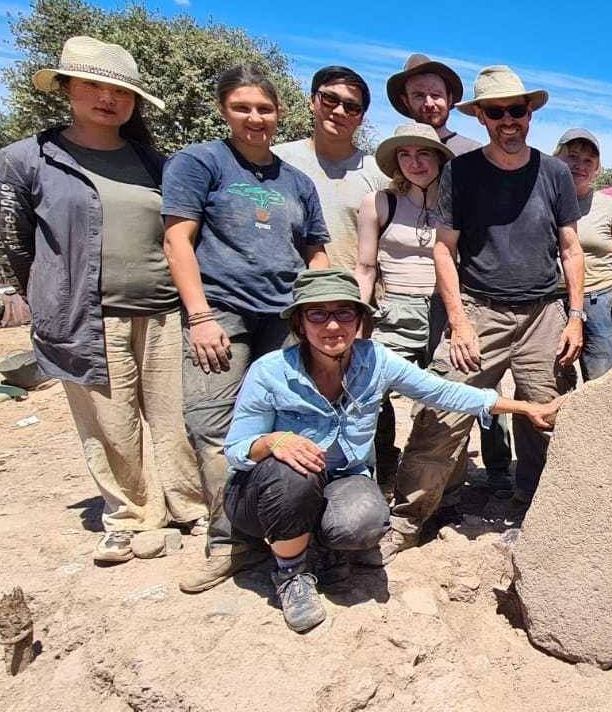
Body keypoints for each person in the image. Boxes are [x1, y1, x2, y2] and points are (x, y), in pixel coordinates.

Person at [224, 269, 560, 632]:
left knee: (367, 523)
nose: (332, 325)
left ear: (361, 320)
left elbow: (443, 392)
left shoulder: (375, 360)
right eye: (318, 314)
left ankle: (318, 546)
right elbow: (236, 447)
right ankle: (291, 574)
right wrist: (275, 441)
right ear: (300, 323)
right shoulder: (270, 371)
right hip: (269, 492)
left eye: (344, 313)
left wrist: (526, 409)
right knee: (294, 469)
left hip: (341, 480)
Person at [0, 36, 205, 563]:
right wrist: (41, 295)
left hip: (163, 311)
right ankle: (130, 516)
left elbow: (180, 236)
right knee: (109, 421)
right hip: (86, 317)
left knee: (177, 415)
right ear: (66, 88)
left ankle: (190, 506)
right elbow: (10, 239)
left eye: (119, 91)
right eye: (92, 86)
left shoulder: (156, 163)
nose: (107, 99)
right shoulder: (29, 160)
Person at [387, 66, 585, 562]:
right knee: (441, 409)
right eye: (495, 112)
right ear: (482, 117)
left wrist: (576, 314)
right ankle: (408, 518)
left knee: (548, 413)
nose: (507, 120)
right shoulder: (462, 171)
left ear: (529, 113)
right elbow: (442, 250)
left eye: (515, 110)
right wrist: (457, 322)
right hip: (480, 309)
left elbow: (571, 248)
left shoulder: (554, 172)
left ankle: (536, 509)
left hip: (544, 312)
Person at [163, 64, 332, 593]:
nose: (254, 118)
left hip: (283, 314)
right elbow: (177, 242)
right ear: (224, 111)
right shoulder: (199, 163)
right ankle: (229, 539)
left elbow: (316, 251)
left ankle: (295, 529)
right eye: (242, 107)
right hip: (221, 312)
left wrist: (321, 309)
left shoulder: (296, 181)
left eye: (264, 108)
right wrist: (200, 316)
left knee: (295, 420)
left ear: (280, 112)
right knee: (214, 425)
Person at [386, 53, 511, 490]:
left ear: (451, 99)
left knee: (478, 373)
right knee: (435, 388)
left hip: (470, 285)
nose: (428, 102)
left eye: (435, 94)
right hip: (411, 292)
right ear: (405, 100)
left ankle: (497, 466)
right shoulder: (398, 151)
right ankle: (419, 478)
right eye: (418, 94)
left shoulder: (472, 152)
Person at [353, 124, 454, 498]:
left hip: (445, 307)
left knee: (447, 393)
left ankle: (441, 486)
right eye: (405, 154)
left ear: (439, 158)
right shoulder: (379, 202)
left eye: (424, 153)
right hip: (395, 306)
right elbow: (365, 268)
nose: (414, 162)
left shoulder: (455, 203)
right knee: (371, 389)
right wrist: (360, 318)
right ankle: (380, 470)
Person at [272, 66, 389, 272]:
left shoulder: (378, 174)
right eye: (330, 99)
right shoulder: (276, 160)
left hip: (352, 297)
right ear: (312, 101)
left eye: (352, 107)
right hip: (282, 297)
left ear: (361, 118)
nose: (339, 111)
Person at [554, 128, 612, 380]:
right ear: (556, 158)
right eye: (572, 157)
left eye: (588, 161)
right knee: (551, 378)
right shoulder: (542, 201)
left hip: (600, 301)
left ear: (597, 169)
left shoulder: (610, 208)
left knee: (601, 378)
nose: (579, 166)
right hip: (554, 302)